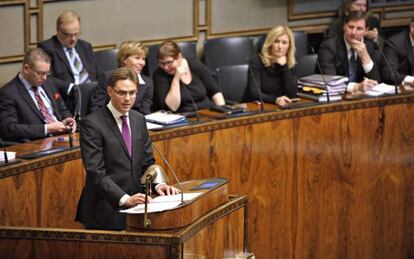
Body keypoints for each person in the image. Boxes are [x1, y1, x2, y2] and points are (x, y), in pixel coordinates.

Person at [75, 67, 179, 230]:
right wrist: (124, 199)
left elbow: (147, 162)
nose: (128, 99)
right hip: (105, 208)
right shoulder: (92, 124)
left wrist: (158, 185)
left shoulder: (138, 119)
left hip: (137, 206)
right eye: (122, 93)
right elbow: (96, 172)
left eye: (133, 93)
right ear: (110, 91)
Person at [0, 48, 76, 142]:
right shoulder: (8, 93)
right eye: (40, 73)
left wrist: (68, 119)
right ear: (26, 69)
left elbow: (63, 109)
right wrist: (46, 128)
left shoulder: (48, 83)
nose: (44, 78)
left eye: (47, 73)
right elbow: (9, 129)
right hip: (35, 144)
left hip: (62, 138)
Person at [38, 11, 98, 103]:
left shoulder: (85, 46)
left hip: (93, 95)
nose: (73, 39)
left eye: (76, 34)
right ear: (58, 30)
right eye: (68, 35)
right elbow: (47, 79)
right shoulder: (47, 48)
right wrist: (71, 88)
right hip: (68, 98)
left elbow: (96, 73)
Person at [318, 10, 381, 93]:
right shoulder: (328, 47)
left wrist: (365, 57)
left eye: (359, 28)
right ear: (344, 26)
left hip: (361, 98)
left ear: (366, 30)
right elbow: (330, 83)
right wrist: (356, 87)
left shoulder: (369, 46)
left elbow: (376, 82)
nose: (353, 32)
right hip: (334, 98)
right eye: (350, 27)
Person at [153, 40, 225, 112]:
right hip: (183, 118)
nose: (165, 67)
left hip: (207, 112)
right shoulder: (159, 75)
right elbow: (173, 107)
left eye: (169, 62)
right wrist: (176, 78)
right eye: (162, 63)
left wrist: (223, 111)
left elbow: (215, 92)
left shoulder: (195, 65)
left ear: (179, 57)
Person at [90, 41, 153, 115]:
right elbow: (96, 107)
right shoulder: (107, 78)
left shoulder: (148, 82)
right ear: (124, 59)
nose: (142, 63)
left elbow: (145, 111)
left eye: (143, 59)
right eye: (137, 58)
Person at [246, 26, 298, 107]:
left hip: (281, 106)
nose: (280, 47)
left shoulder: (290, 62)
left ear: (289, 46)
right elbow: (255, 93)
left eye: (284, 42)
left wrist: (285, 67)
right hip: (258, 107)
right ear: (270, 43)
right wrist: (275, 100)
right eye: (276, 41)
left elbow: (292, 94)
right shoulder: (256, 61)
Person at [382, 18, 414, 86]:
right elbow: (389, 74)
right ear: (412, 27)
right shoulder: (394, 43)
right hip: (401, 91)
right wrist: (411, 80)